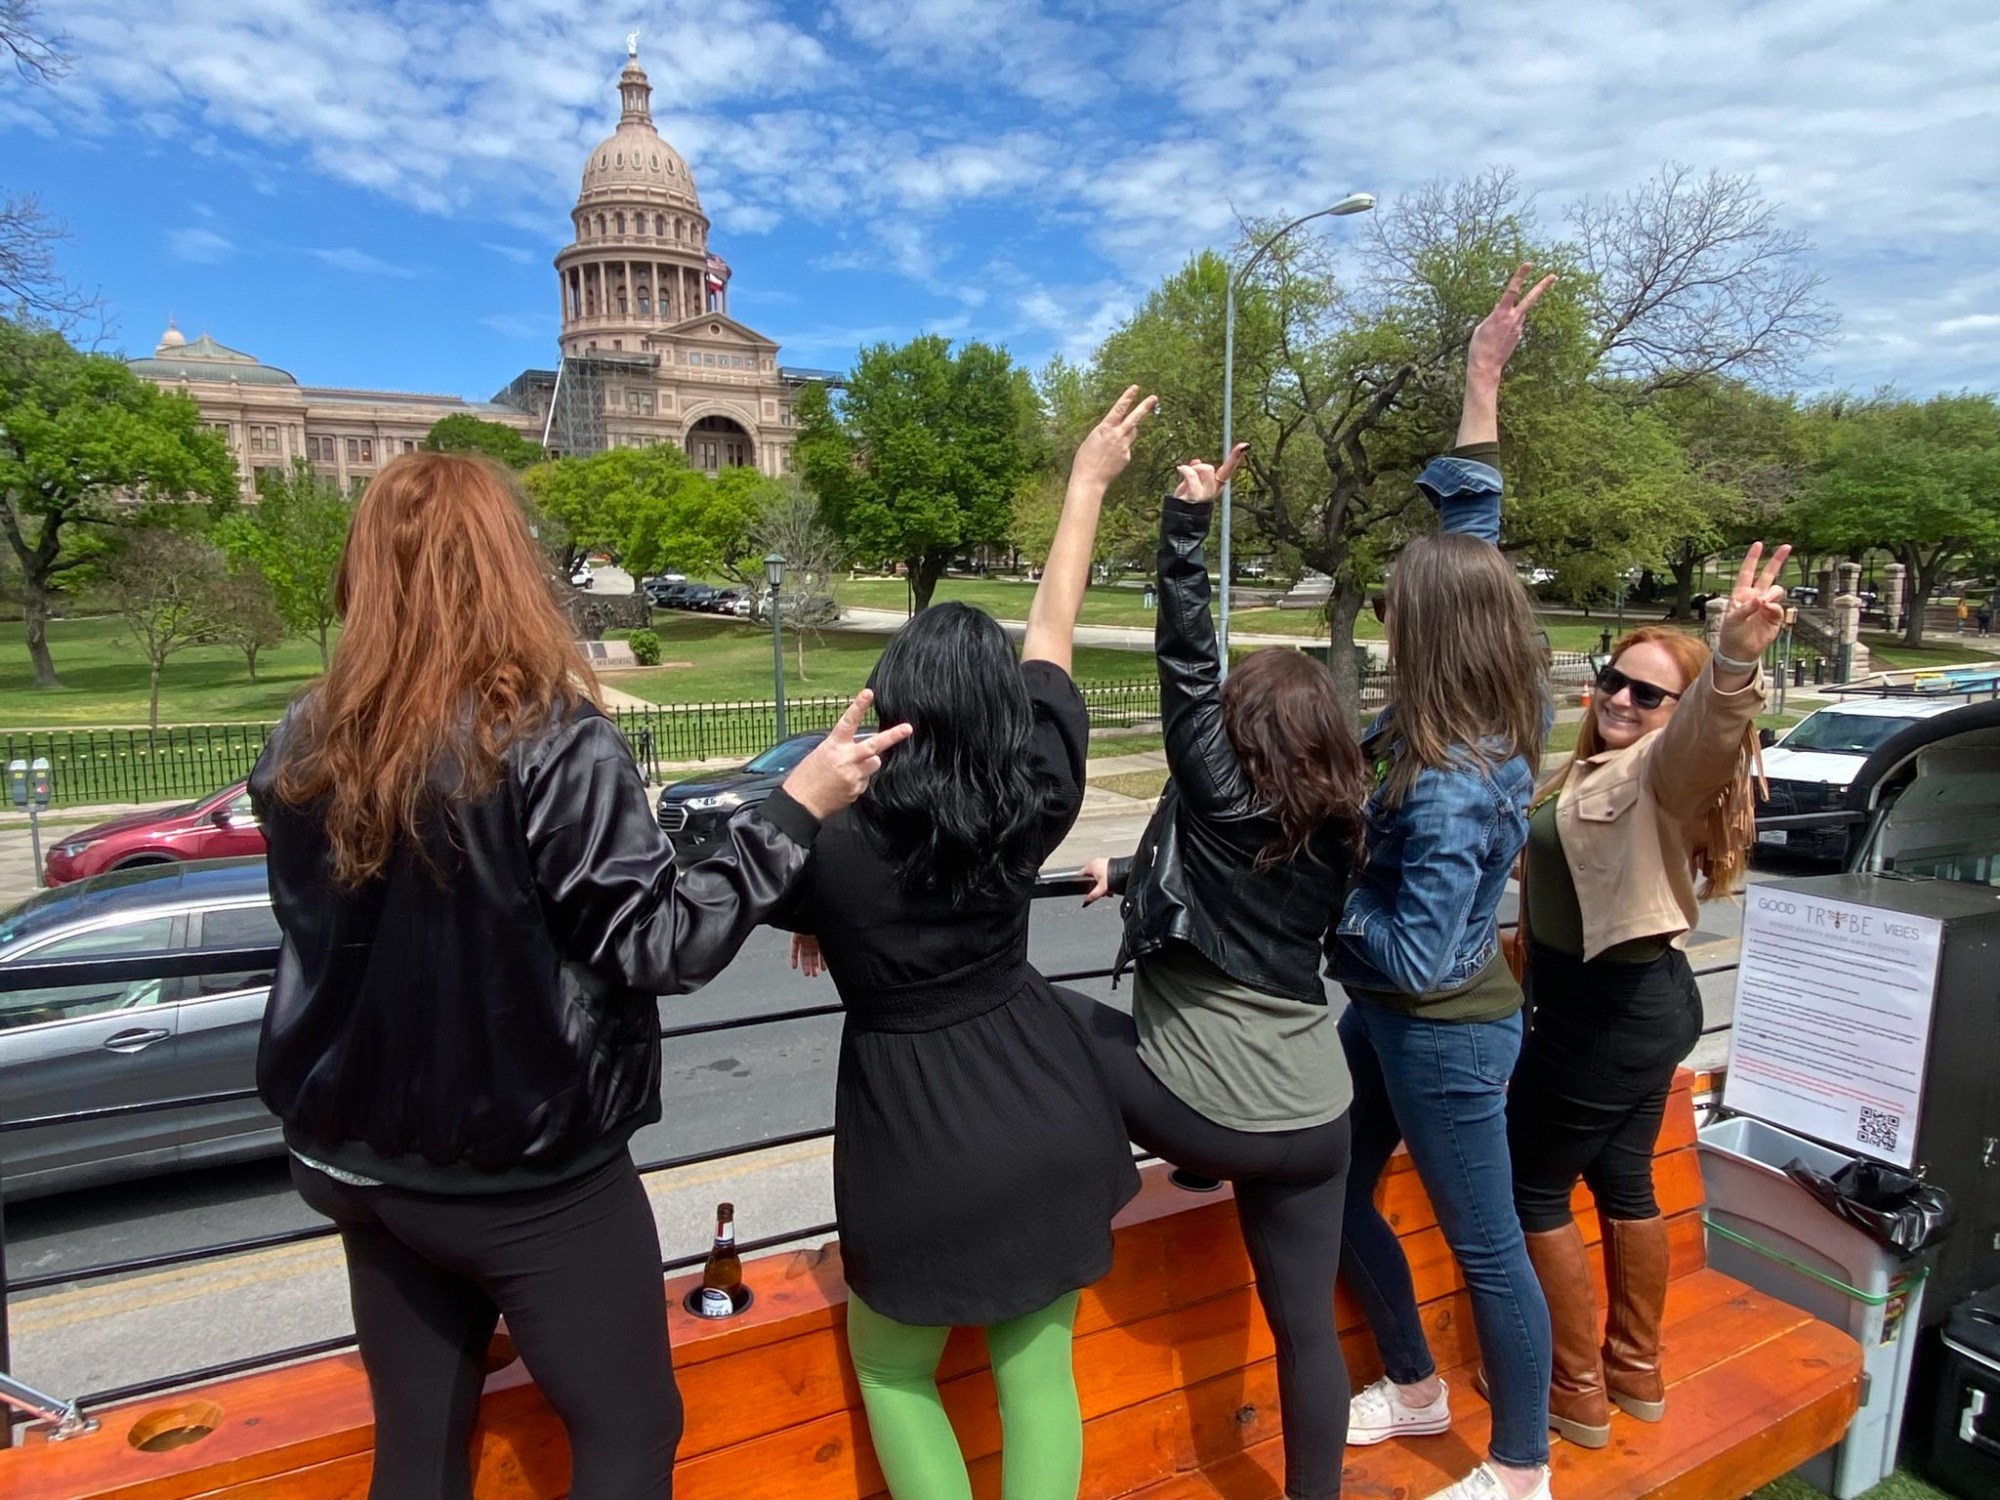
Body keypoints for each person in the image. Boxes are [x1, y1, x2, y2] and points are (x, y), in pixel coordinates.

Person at [252, 452, 904, 1500]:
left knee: (418, 1445)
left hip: (355, 1162)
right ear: (507, 568)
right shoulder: (547, 741)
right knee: (632, 1433)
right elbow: (662, 945)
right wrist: (792, 808)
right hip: (523, 1175)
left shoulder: (305, 738)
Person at [781, 391, 1156, 1499]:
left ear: (885, 706)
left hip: (912, 1140)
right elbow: (1051, 633)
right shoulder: (1031, 796)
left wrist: (807, 847)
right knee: (1035, 1375)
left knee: (893, 1369)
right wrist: (1085, 483)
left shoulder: (830, 845)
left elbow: (723, 876)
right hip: (1043, 1108)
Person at [1066, 446, 1368, 1500]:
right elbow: (1217, 875)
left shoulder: (1221, 791)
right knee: (1304, 1338)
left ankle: (1078, 1200)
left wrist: (1185, 522)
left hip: (1215, 1121)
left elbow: (1185, 659)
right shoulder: (1339, 819)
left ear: (1235, 734)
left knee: (1041, 1011)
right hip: (1319, 1120)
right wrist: (1138, 866)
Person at [1326, 266, 1558, 1500]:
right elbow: (1467, 523)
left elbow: (1415, 954)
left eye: (1391, 607)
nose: (1380, 614)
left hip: (1443, 1032)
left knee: (1485, 1248)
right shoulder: (1456, 693)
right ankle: (1414, 1388)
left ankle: (1519, 1470)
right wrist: (1482, 375)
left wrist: (1327, 886)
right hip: (1385, 1022)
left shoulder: (1462, 769)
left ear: (1431, 631)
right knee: (1332, 1189)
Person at [1506, 563, 1786, 1447]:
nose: (1623, 698)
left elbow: (1709, 734)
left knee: (1531, 1186)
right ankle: (1635, 1371)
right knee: (1622, 1179)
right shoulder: (1588, 765)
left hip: (1612, 1012)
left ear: (1675, 711)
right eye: (1614, 680)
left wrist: (1733, 660)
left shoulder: (1662, 770)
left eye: (1650, 694)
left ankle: (1576, 1388)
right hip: (1635, 1003)